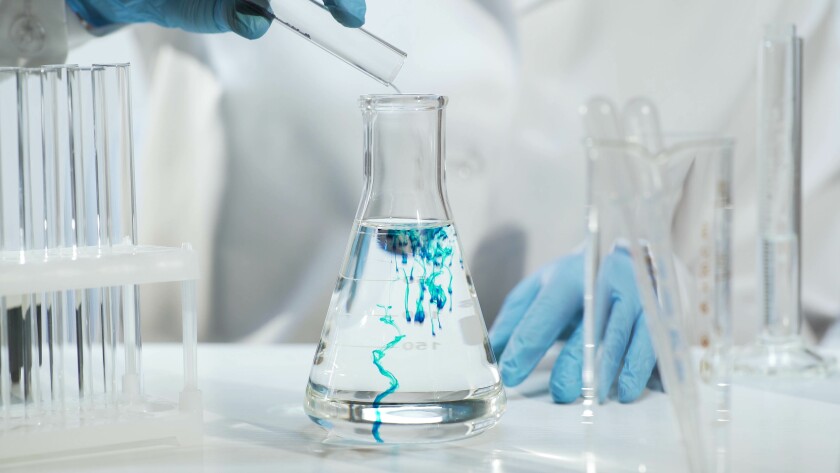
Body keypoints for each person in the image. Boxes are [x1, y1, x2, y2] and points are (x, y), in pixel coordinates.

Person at [3, 0, 837, 406]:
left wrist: (688, 308)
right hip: (271, 433)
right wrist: (70, 5)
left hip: (597, 432)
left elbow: (807, 321)